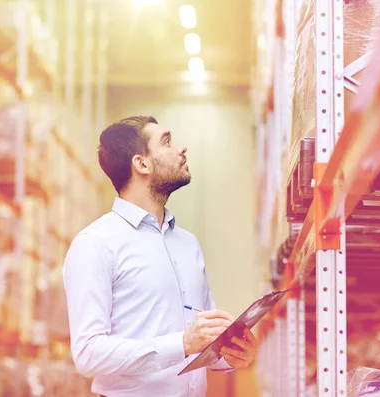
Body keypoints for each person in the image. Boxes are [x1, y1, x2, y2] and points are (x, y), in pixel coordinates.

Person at [63, 116, 258, 397]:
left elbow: (203, 344)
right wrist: (181, 344)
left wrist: (231, 355)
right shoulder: (95, 244)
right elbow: (88, 353)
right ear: (141, 163)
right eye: (167, 142)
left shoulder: (187, 244)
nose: (182, 148)